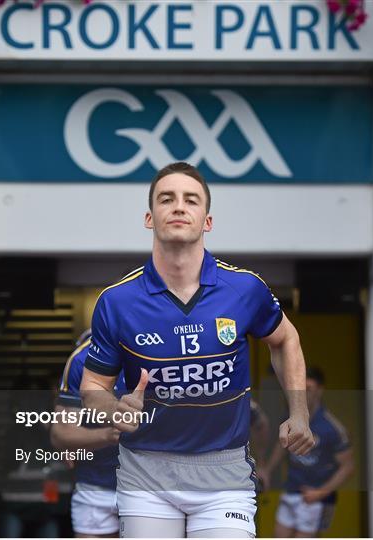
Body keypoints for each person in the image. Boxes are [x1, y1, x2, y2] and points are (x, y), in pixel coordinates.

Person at [80, 161, 314, 538]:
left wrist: (299, 412)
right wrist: (113, 408)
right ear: (149, 217)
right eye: (166, 199)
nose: (178, 206)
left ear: (207, 221)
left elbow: (286, 339)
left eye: (191, 200)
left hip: (224, 469)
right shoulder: (116, 301)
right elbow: (92, 386)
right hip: (146, 469)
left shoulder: (244, 288)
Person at [263, 367, 354, 538]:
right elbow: (281, 446)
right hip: (291, 489)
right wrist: (267, 471)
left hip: (316, 497)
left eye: (309, 389)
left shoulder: (332, 428)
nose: (305, 394)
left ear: (320, 390)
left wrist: (321, 492)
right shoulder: (290, 418)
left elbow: (348, 467)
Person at [51, 331, 120, 538]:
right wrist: (108, 435)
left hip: (152, 486)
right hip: (95, 485)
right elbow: (61, 433)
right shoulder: (80, 360)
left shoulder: (156, 350)